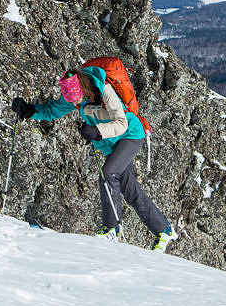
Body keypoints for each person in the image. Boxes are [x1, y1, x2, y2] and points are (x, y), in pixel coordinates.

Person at [11, 66, 177, 253]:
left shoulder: (105, 90)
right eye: (73, 102)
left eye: (78, 99)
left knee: (109, 173)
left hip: (130, 135)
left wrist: (97, 132)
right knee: (129, 188)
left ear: (84, 87)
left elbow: (121, 123)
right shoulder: (74, 95)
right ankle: (163, 230)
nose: (76, 104)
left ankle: (111, 228)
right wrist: (29, 110)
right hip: (111, 143)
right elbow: (53, 110)